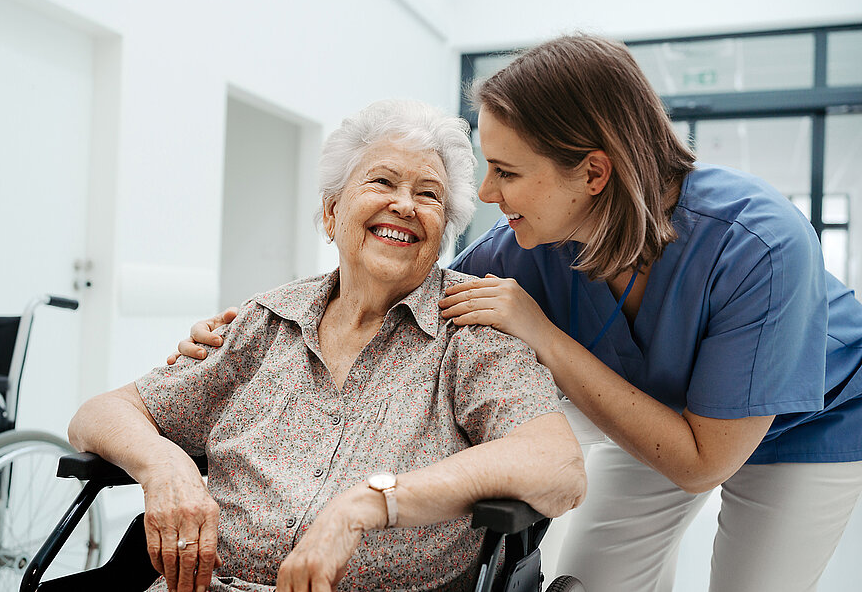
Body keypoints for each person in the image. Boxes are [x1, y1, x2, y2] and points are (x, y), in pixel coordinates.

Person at [178, 35, 862, 592]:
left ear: (592, 174)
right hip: (658, 418)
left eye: (505, 170)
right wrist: (260, 327)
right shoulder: (519, 245)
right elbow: (401, 300)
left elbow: (700, 463)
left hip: (807, 422)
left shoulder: (759, 246)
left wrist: (540, 331)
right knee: (592, 579)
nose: (483, 189)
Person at [71, 99, 586, 592]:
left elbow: (557, 464)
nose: (404, 205)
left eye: (428, 195)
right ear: (332, 211)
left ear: (444, 230)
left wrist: (367, 503)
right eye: (382, 182)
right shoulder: (266, 322)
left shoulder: (470, 333)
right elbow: (98, 414)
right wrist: (164, 465)